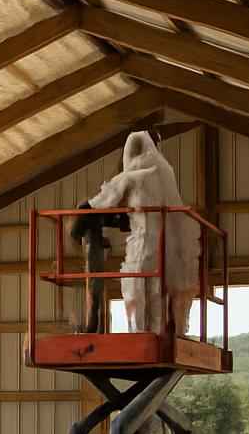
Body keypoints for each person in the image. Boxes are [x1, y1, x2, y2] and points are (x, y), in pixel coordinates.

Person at [86, 131, 201, 334]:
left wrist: (84, 209)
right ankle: (157, 335)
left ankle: (137, 335)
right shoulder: (163, 173)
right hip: (160, 247)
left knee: (134, 290)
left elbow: (102, 203)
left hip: (141, 244)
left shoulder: (130, 177)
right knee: (156, 290)